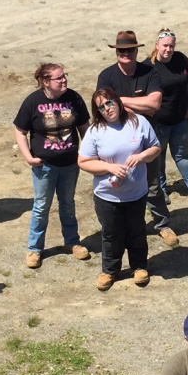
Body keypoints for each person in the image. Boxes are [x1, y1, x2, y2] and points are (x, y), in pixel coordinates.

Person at [97, 31, 178, 247]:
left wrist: (119, 101)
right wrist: (139, 103)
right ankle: (123, 227)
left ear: (136, 50)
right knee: (118, 183)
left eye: (130, 50)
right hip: (116, 140)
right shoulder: (106, 76)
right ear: (116, 52)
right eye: (121, 50)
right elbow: (105, 108)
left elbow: (154, 105)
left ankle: (162, 224)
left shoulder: (150, 73)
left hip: (146, 139)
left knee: (153, 183)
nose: (126, 54)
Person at [78, 89, 161, 291]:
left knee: (137, 231)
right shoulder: (95, 131)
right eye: (101, 107)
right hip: (107, 195)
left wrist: (141, 157)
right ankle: (110, 270)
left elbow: (155, 148)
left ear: (118, 102)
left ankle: (139, 267)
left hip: (136, 192)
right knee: (111, 233)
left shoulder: (138, 122)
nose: (107, 109)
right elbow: (83, 162)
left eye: (109, 103)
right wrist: (109, 167)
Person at [14, 62, 91, 269]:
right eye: (59, 78)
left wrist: (88, 152)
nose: (64, 80)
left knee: (68, 204)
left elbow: (85, 127)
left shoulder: (74, 98)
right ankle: (35, 249)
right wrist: (28, 157)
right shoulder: (33, 101)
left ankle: (73, 242)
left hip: (70, 164)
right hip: (44, 166)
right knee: (41, 207)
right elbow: (20, 131)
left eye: (64, 76)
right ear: (46, 82)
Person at [143, 29, 188, 208]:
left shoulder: (181, 59)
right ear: (157, 45)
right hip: (158, 123)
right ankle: (160, 191)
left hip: (180, 121)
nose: (168, 49)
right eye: (165, 45)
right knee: (157, 158)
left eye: (171, 46)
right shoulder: (147, 67)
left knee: (183, 156)